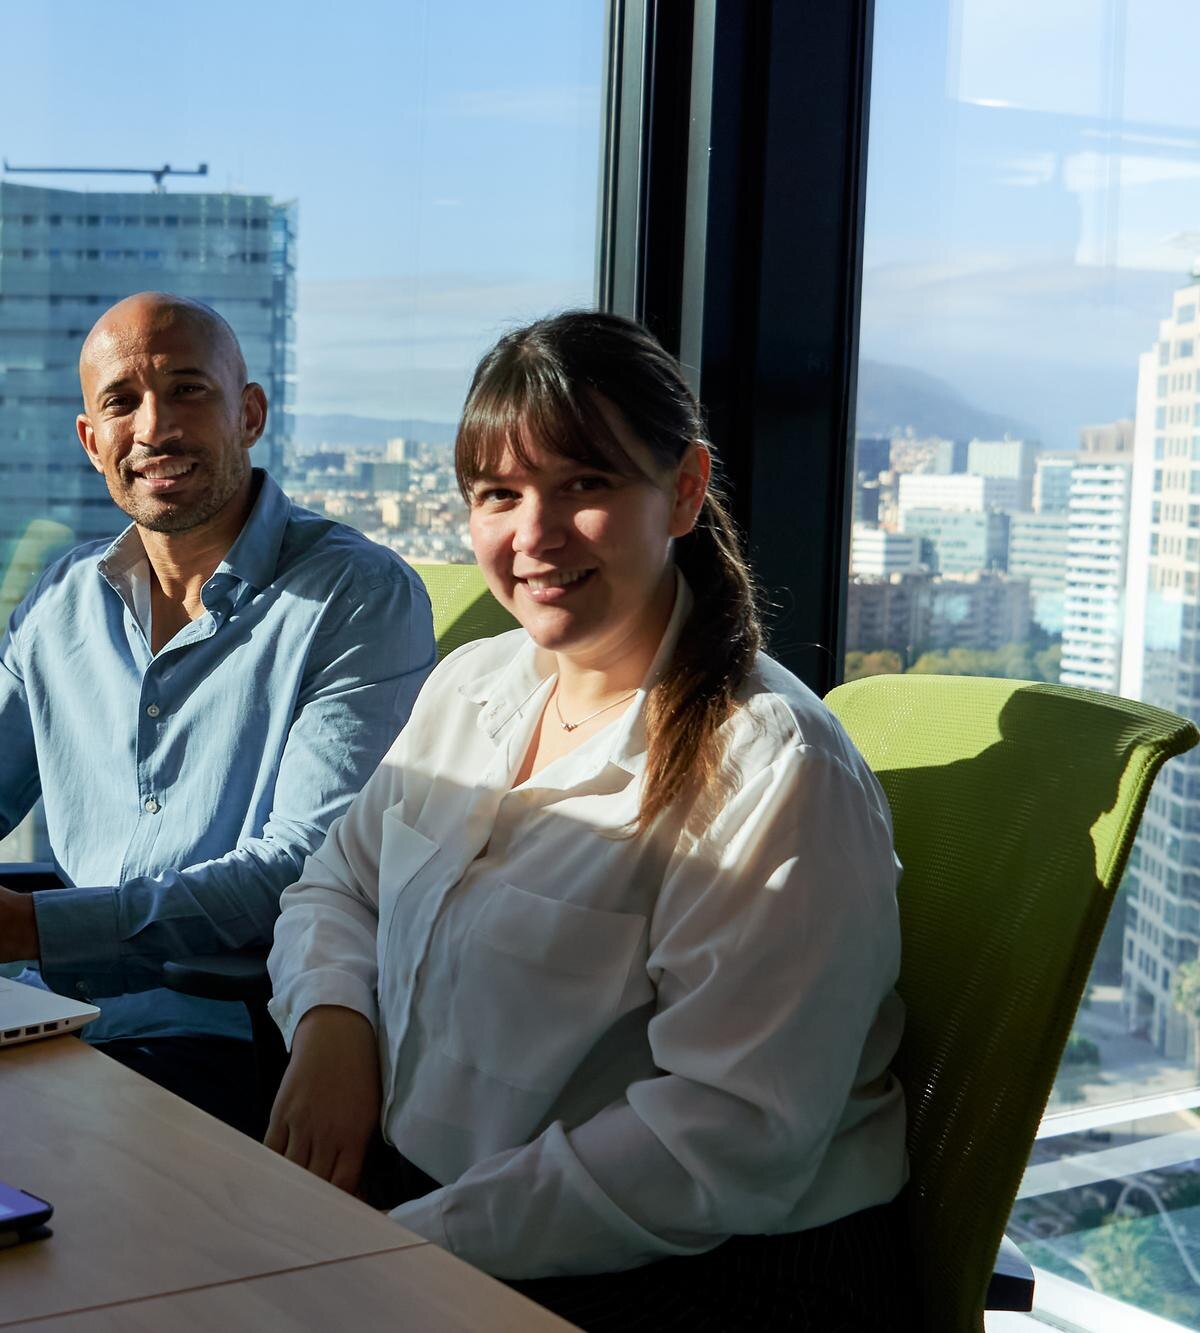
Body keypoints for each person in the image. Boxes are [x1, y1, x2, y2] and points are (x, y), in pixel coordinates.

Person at [262, 311, 910, 1329]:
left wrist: (416, 1245)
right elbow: (336, 883)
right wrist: (332, 1021)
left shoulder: (770, 764)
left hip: (690, 1266)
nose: (533, 535)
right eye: (498, 496)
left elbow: (725, 1134)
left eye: (584, 485)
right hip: (444, 1210)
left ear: (684, 491)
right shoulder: (468, 687)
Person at [0, 292, 436, 1137]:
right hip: (47, 1017)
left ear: (251, 413)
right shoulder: (65, 598)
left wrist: (34, 929)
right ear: (92, 442)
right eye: (121, 401)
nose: (155, 426)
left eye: (189, 389)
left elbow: (307, 866)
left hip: (229, 1044)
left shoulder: (355, 596)